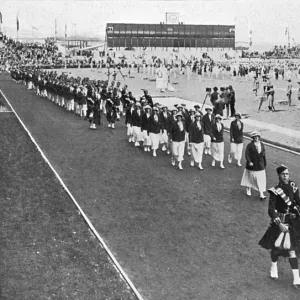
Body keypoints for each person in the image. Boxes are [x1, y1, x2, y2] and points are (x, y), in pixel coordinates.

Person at [258, 165, 300, 289]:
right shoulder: (275, 191)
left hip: (292, 223)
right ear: (279, 175)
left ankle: (296, 279)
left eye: (287, 173)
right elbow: (271, 209)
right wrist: (279, 223)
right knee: (276, 249)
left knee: (292, 250)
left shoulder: (293, 186)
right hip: (279, 224)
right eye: (283, 174)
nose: (286, 176)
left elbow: (298, 201)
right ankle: (274, 266)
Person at [241, 131, 267, 200]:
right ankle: (248, 188)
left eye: (257, 137)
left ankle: (261, 193)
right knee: (251, 178)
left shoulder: (262, 144)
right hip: (252, 165)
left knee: (260, 179)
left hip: (260, 165)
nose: (256, 138)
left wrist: (265, 163)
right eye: (255, 137)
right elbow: (247, 154)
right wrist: (249, 161)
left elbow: (263, 155)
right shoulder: (250, 145)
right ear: (253, 138)